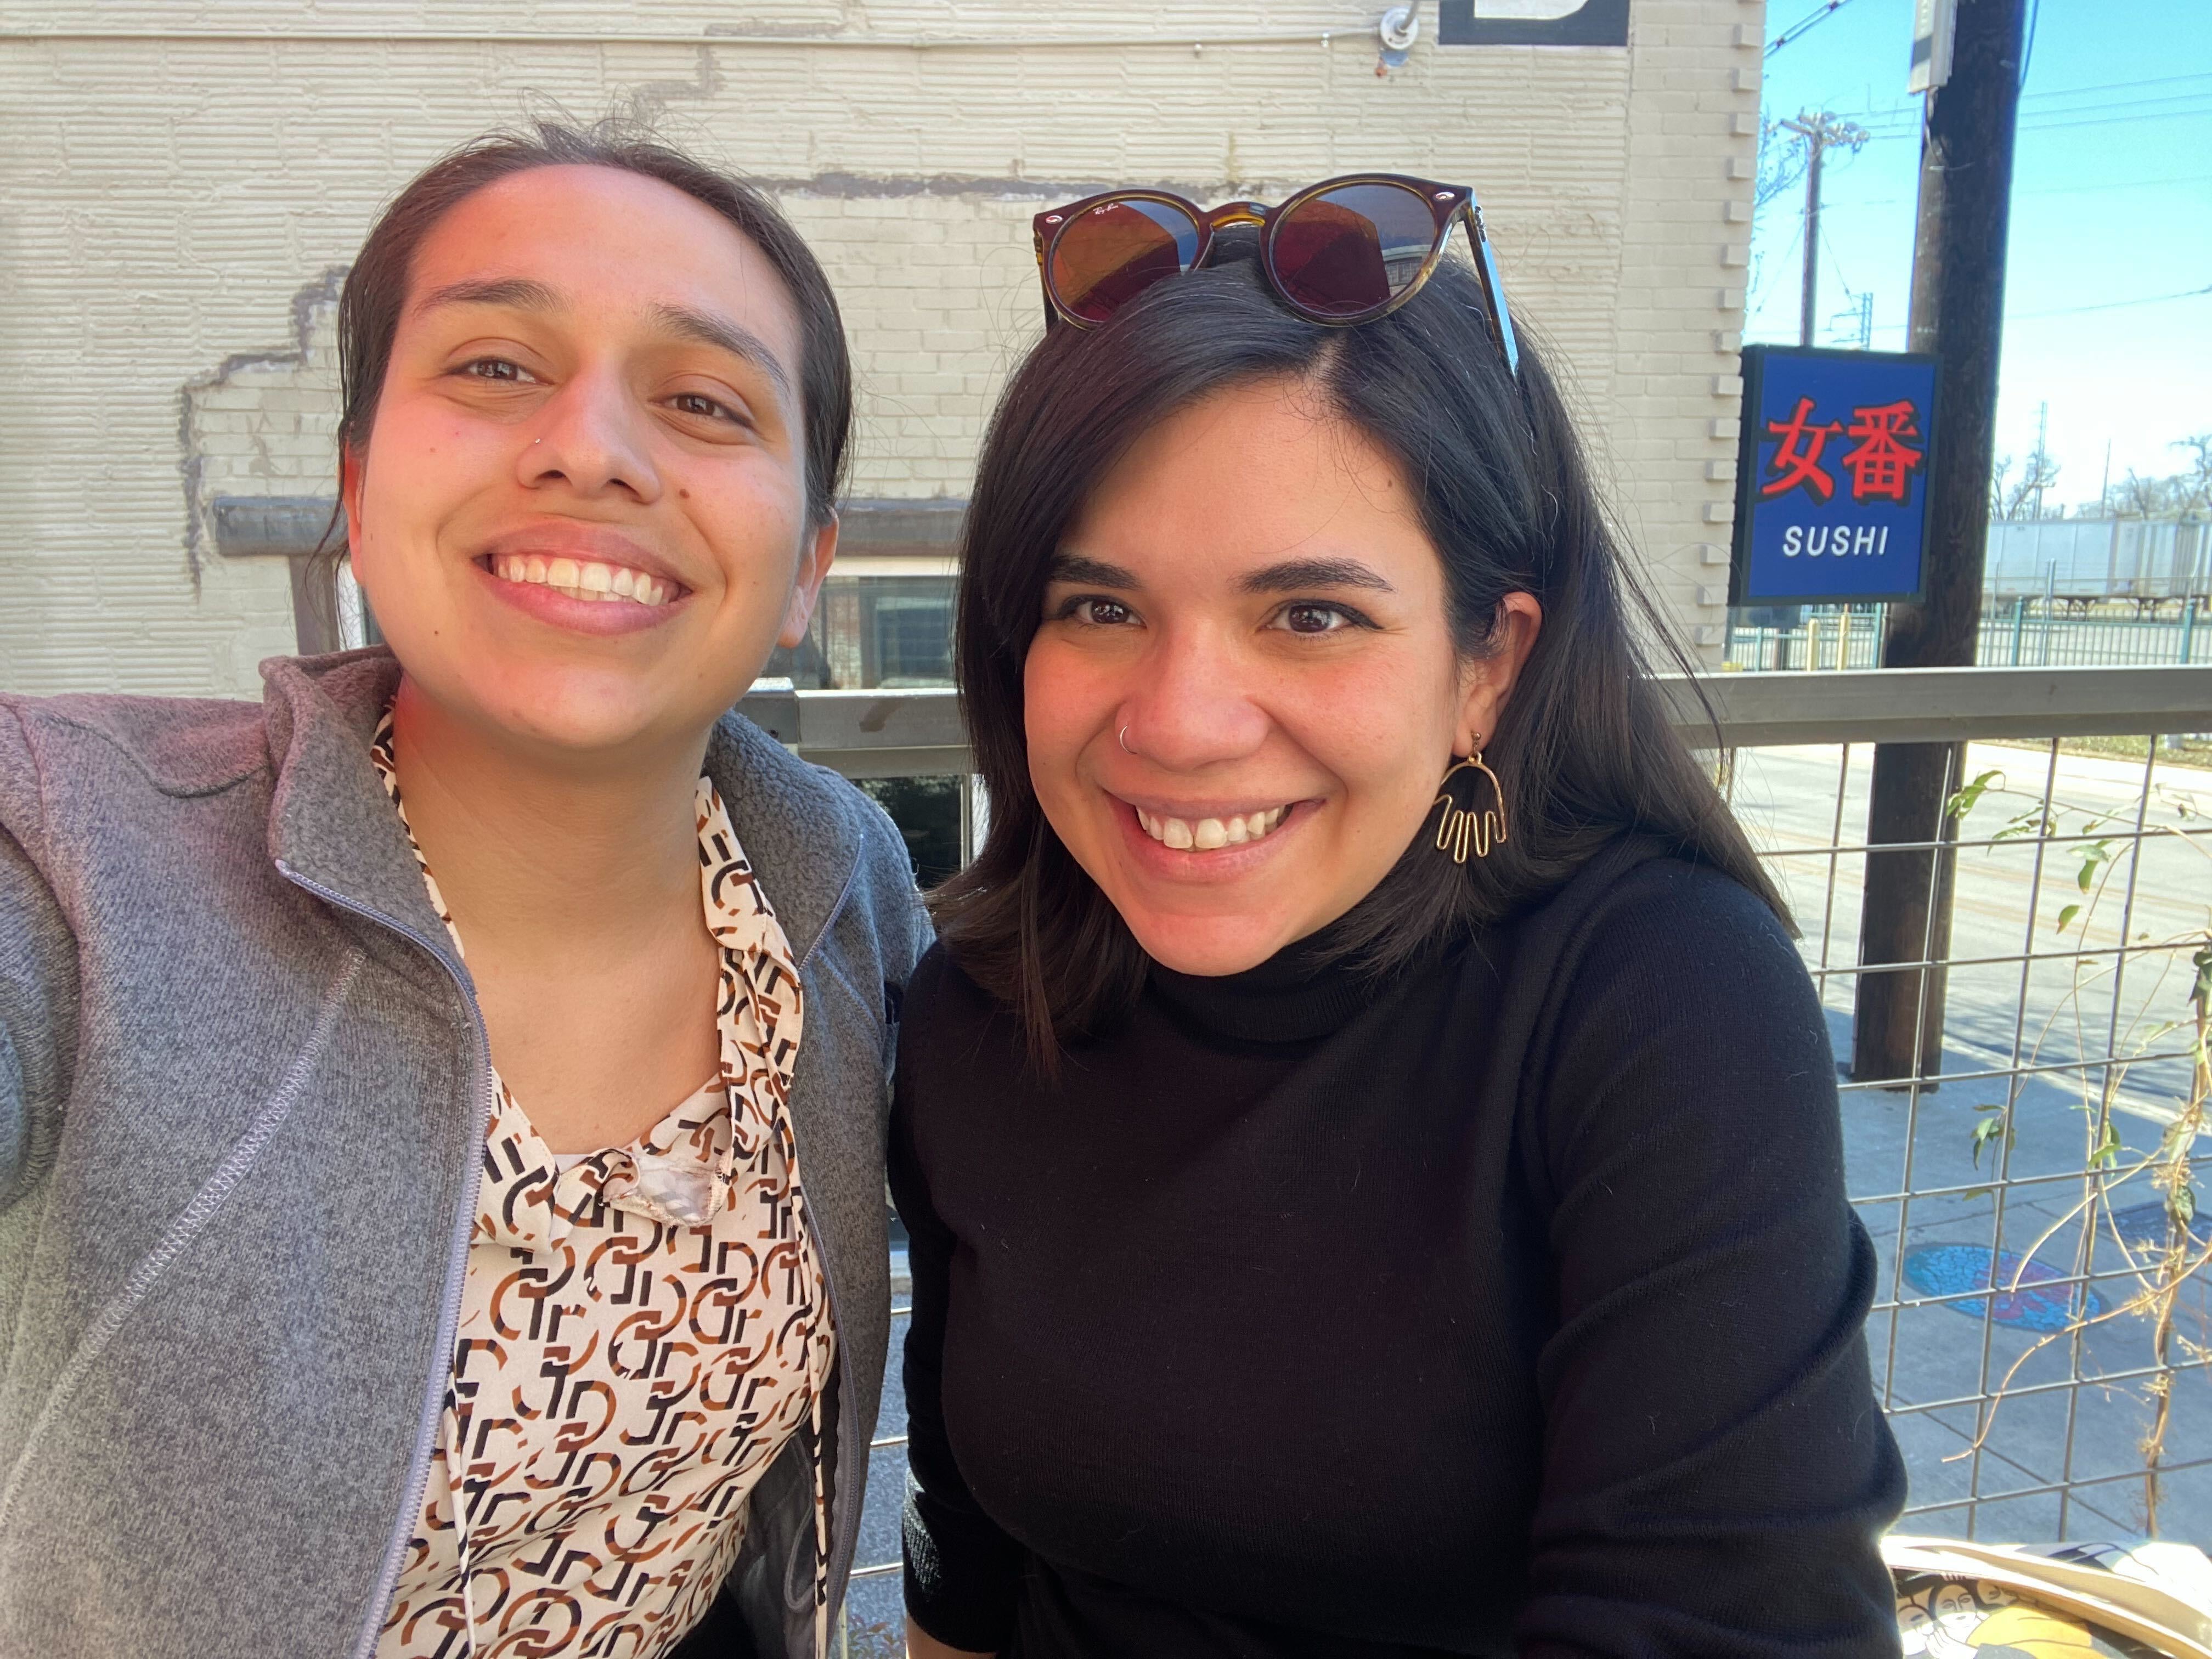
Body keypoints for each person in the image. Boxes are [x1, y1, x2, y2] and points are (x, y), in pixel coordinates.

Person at [892, 178, 1906, 1656]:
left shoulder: (1653, 996)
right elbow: (967, 1551)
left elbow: (1722, 1623)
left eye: (1312, 615)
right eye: (1099, 608)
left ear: (1488, 667)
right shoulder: (983, 1003)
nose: (1178, 726)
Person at [0, 120, 927, 1659]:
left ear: (809, 567)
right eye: (496, 367)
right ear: (361, 486)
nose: (591, 447)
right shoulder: (76, 861)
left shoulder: (838, 884)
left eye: (703, 400)